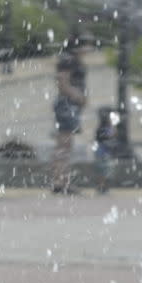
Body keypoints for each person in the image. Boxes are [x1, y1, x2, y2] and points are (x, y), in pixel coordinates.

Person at [51, 33, 91, 194]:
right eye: (86, 45)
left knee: (65, 145)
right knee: (64, 146)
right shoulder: (68, 60)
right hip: (67, 106)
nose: (89, 48)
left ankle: (61, 181)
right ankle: (60, 182)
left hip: (70, 106)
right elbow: (62, 83)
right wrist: (78, 96)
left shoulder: (70, 60)